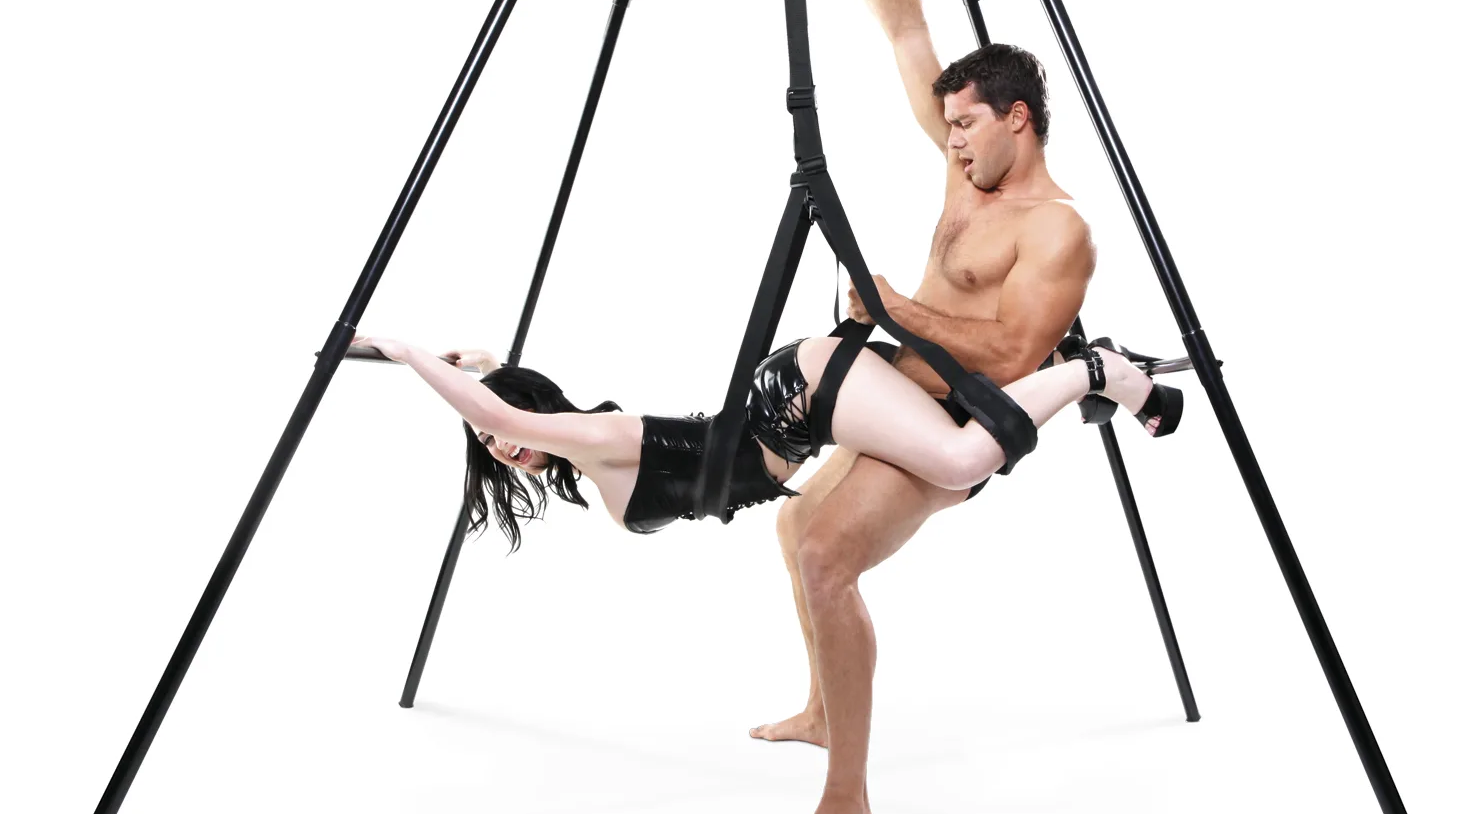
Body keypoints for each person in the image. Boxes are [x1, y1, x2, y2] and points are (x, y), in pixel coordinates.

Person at [738, 0, 1102, 814]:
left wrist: (898, 309)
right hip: (896, 393)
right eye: (946, 125)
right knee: (795, 525)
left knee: (826, 556)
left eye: (967, 125)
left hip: (955, 422)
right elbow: (903, 25)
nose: (951, 140)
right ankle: (825, 708)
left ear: (1019, 119)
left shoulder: (1057, 229)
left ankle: (846, 811)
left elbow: (1016, 352)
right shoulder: (964, 170)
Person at [344, 332, 1175, 551]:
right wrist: (486, 364)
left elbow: (510, 415)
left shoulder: (590, 437)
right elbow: (505, 406)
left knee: (961, 458)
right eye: (487, 447)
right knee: (958, 464)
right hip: (798, 421)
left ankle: (1099, 372)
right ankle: (1072, 362)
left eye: (495, 432)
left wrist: (408, 353)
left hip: (794, 398)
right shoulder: (581, 456)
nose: (499, 448)